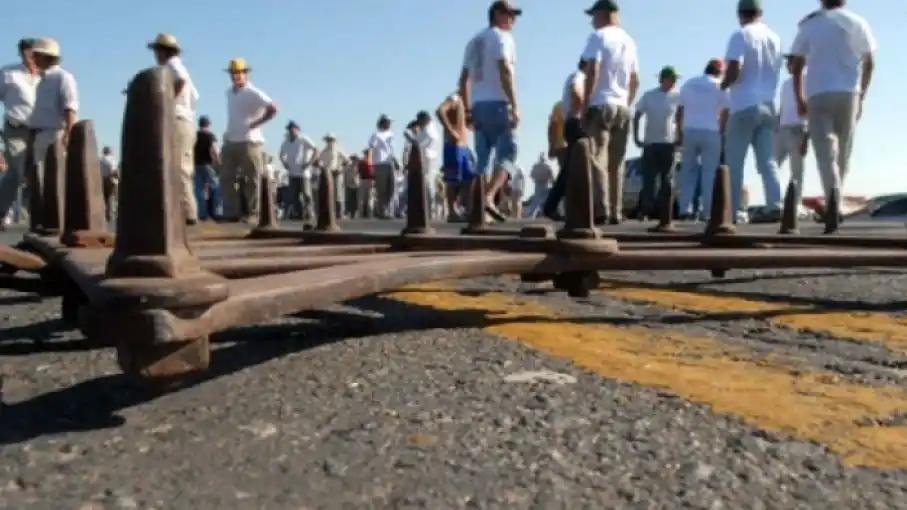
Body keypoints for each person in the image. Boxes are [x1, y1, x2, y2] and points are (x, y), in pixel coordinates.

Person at [789, 0, 876, 215]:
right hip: (849, 93)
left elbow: (796, 65)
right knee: (844, 151)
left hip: (818, 93)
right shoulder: (858, 22)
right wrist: (862, 95)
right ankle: (836, 198)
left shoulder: (810, 24)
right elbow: (870, 61)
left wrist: (799, 99)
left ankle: (832, 199)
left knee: (824, 153)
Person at [459, 0, 522, 222]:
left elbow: (463, 79)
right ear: (496, 14)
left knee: (482, 159)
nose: (513, 19)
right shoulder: (501, 37)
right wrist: (514, 104)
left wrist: (466, 110)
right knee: (507, 154)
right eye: (509, 14)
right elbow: (504, 70)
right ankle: (487, 196)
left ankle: (475, 205)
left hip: (478, 104)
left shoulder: (474, 41)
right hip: (498, 102)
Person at [721, 0, 783, 221]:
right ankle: (776, 204)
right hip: (768, 105)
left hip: (743, 104)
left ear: (740, 14)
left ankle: (735, 210)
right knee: (767, 160)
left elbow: (735, 68)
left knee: (735, 161)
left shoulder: (740, 35)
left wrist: (724, 85)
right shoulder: (774, 37)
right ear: (760, 13)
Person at [579, 0, 640, 225]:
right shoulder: (629, 41)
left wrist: (586, 103)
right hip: (622, 106)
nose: (592, 21)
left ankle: (601, 208)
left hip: (601, 103)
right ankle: (616, 210)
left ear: (603, 14)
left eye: (593, 16)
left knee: (597, 159)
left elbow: (592, 69)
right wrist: (627, 100)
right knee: (618, 162)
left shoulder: (598, 37)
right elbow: (635, 79)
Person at [148, 33, 200, 225]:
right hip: (185, 119)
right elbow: (195, 97)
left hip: (178, 119)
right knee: (180, 165)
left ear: (163, 51)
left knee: (179, 167)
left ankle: (188, 212)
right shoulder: (178, 67)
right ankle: (183, 210)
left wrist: (168, 101)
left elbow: (180, 80)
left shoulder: (172, 66)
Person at [221, 58, 277, 223]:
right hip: (231, 139)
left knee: (252, 178)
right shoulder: (229, 92)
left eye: (239, 73)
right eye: (233, 73)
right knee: (226, 177)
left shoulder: (254, 92)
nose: (235, 76)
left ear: (246, 74)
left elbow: (273, 108)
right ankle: (231, 212)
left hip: (249, 140)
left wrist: (257, 123)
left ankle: (254, 213)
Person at [29, 38, 79, 228]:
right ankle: (45, 221)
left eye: (36, 55)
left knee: (56, 179)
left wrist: (69, 132)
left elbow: (70, 107)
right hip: (41, 134)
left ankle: (58, 222)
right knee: (41, 179)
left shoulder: (63, 78)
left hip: (55, 132)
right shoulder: (42, 81)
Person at [676, 59, 729, 220]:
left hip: (690, 130)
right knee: (709, 173)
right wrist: (721, 129)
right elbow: (726, 111)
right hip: (711, 131)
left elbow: (680, 110)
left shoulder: (689, 84)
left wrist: (680, 131)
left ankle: (685, 209)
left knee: (688, 172)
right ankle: (708, 212)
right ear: (719, 71)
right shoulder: (721, 86)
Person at [0, 38, 39, 232]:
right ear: (21, 54)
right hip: (15, 129)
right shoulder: (8, 73)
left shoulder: (48, 75)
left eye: (33, 51)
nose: (29, 56)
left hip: (40, 130)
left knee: (30, 174)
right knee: (18, 169)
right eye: (26, 52)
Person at [633, 66, 680, 220]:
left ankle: (665, 213)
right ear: (662, 80)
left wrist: (680, 137)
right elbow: (637, 115)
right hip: (651, 143)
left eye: (674, 80)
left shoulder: (677, 97)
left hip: (669, 142)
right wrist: (636, 137)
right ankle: (646, 211)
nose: (673, 82)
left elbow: (681, 118)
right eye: (670, 79)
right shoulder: (649, 96)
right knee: (649, 180)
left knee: (667, 180)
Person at [543, 60, 584, 220]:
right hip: (563, 145)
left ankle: (563, 207)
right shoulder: (560, 107)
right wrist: (552, 145)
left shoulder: (562, 106)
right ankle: (558, 206)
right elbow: (552, 126)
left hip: (564, 143)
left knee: (569, 174)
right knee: (569, 174)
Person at [773, 55, 810, 207]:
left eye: (790, 62)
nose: (787, 65)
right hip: (781, 130)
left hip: (798, 129)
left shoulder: (808, 82)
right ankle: (775, 202)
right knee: (772, 166)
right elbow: (782, 109)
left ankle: (796, 205)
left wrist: (807, 137)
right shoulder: (785, 84)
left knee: (796, 171)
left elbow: (811, 110)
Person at [436, 92, 473, 222]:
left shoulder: (464, 102)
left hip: (464, 147)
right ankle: (452, 212)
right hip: (453, 145)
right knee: (452, 180)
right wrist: (451, 131)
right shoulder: (455, 98)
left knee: (469, 179)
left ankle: (468, 209)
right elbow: (440, 111)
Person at [279, 121, 318, 220]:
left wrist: (309, 163)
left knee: (307, 194)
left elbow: (316, 150)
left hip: (304, 173)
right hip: (292, 173)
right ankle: (299, 213)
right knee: (293, 196)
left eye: (293, 129)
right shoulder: (286, 142)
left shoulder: (303, 139)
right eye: (289, 130)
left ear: (297, 130)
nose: (291, 131)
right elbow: (281, 154)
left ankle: (310, 213)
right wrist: (285, 163)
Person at [366, 114, 398, 218]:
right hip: (380, 163)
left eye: (390, 122)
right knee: (382, 189)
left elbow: (392, 150)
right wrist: (370, 164)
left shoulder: (391, 135)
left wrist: (396, 161)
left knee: (391, 188)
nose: (389, 124)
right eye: (387, 122)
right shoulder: (376, 135)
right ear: (382, 122)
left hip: (390, 163)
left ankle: (388, 210)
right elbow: (371, 148)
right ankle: (382, 211)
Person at [193, 115, 221, 221]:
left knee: (199, 190)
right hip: (207, 164)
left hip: (196, 164)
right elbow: (215, 149)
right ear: (208, 124)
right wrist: (218, 161)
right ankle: (217, 212)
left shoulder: (195, 135)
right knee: (215, 187)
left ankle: (202, 214)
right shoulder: (210, 135)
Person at [317, 133, 349, 218]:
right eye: (328, 140)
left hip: (336, 173)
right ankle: (331, 214)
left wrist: (341, 169)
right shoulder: (323, 151)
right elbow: (318, 162)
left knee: (338, 194)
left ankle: (340, 213)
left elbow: (347, 161)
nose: (329, 142)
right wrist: (321, 167)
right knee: (329, 194)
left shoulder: (338, 150)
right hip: (327, 174)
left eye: (331, 140)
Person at [99, 146, 118, 222]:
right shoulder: (112, 160)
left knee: (104, 197)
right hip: (111, 179)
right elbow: (114, 170)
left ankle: (104, 214)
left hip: (103, 179)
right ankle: (110, 215)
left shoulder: (100, 159)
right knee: (111, 197)